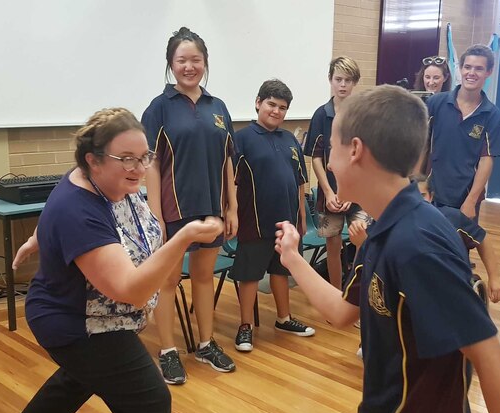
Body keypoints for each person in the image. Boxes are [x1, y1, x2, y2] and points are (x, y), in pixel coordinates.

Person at [275, 85, 500, 413]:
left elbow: (490, 357)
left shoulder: (418, 244)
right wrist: (293, 258)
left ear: (355, 150)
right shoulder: (382, 230)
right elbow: (341, 312)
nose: (328, 162)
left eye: (330, 148)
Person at [3, 108, 223, 413]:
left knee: (84, 376)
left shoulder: (107, 182)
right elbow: (131, 291)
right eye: (126, 159)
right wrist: (183, 238)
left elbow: (61, 209)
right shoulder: (79, 206)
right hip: (78, 323)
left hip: (99, 315)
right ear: (93, 160)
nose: (138, 168)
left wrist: (36, 237)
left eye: (144, 157)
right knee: (148, 403)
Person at [141, 27, 238, 384]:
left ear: (205, 62)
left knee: (202, 277)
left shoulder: (219, 108)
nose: (189, 66)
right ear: (171, 64)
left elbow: (229, 159)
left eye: (195, 59)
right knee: (167, 281)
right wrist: (156, 216)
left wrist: (233, 207)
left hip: (212, 208)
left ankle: (205, 343)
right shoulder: (159, 108)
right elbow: (150, 162)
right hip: (172, 212)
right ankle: (168, 351)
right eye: (181, 60)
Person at [230, 79, 315, 352]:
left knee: (282, 271)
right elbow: (229, 183)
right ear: (258, 103)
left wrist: (301, 218)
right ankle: (245, 325)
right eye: (271, 104)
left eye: (282, 107)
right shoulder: (240, 139)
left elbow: (301, 181)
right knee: (250, 275)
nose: (276, 111)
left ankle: (284, 318)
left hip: (287, 222)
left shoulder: (290, 139)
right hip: (254, 221)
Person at [304, 56, 371, 290]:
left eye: (348, 80)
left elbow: (366, 160)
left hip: (359, 196)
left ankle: (359, 297)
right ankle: (336, 295)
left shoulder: (364, 115)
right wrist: (330, 192)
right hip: (329, 196)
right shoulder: (321, 115)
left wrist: (351, 194)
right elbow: (316, 157)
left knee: (363, 244)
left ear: (355, 83)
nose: (343, 85)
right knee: (332, 246)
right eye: (338, 79)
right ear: (330, 80)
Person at [422, 44, 500, 221]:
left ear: (488, 72)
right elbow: (421, 146)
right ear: (460, 69)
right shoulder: (436, 104)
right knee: (423, 246)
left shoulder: (492, 115)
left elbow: (486, 160)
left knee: (457, 248)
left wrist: (471, 200)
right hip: (431, 193)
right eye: (467, 67)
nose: (471, 73)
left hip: (464, 197)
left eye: (479, 68)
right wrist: (416, 184)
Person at [412, 174, 500, 303]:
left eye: (422, 196)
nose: (418, 201)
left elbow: (482, 239)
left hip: (454, 283)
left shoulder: (452, 218)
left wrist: (494, 277)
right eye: (412, 196)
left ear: (431, 196)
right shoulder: (401, 224)